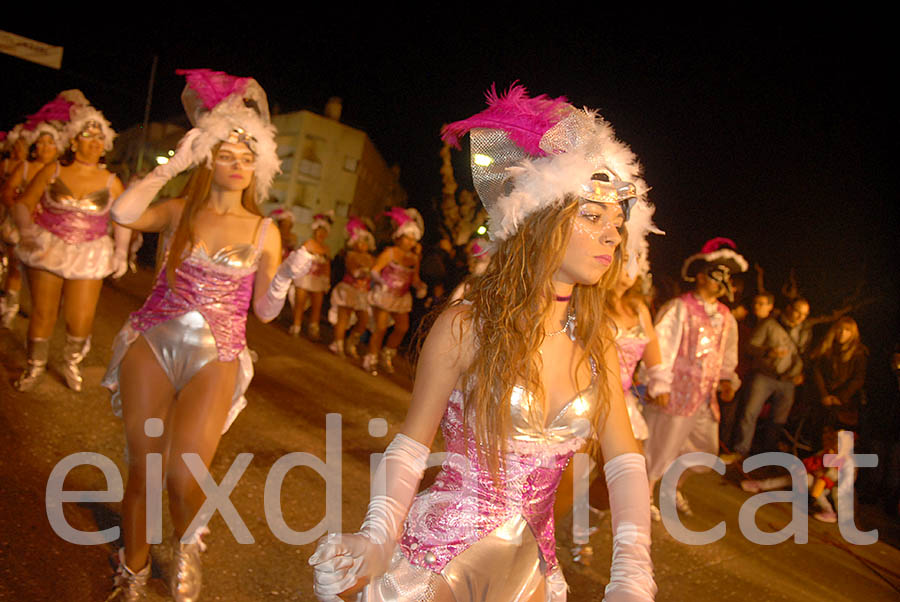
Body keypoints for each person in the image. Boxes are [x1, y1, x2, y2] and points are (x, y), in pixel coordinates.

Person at [309, 84, 656, 602]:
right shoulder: (466, 327)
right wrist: (379, 538)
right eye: (591, 215)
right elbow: (411, 444)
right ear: (540, 218)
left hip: (531, 576)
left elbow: (626, 462)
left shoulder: (596, 343)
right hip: (436, 563)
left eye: (617, 221)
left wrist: (632, 574)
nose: (612, 234)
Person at [100, 69, 313, 601]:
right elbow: (122, 211)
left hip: (217, 353)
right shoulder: (179, 210)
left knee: (183, 469)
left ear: (258, 167)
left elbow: (263, 312)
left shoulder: (266, 230)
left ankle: (189, 543)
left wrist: (284, 276)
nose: (238, 165)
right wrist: (173, 165)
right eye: (226, 154)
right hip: (152, 341)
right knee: (143, 466)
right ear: (208, 158)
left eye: (248, 158)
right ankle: (134, 566)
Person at [11, 91, 130, 392]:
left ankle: (71, 361)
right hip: (49, 247)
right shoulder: (53, 170)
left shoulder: (110, 180)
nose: (95, 142)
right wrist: (26, 233)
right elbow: (23, 203)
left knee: (80, 319)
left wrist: (122, 252)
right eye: (88, 136)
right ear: (74, 141)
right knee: (43, 313)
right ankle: (34, 367)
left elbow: (123, 218)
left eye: (100, 137)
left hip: (90, 253)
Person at [644, 238, 745, 517]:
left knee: (700, 450)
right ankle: (644, 496)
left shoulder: (726, 317)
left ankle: (672, 487)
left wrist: (726, 380)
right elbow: (660, 346)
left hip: (705, 397)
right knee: (661, 446)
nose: (722, 282)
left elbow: (727, 354)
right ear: (701, 276)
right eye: (716, 275)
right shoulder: (680, 308)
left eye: (726, 277)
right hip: (676, 393)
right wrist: (659, 381)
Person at [0, 101, 67, 328]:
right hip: (21, 226)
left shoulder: (61, 172)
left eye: (51, 144)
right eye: (42, 143)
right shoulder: (25, 168)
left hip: (50, 231)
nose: (46, 148)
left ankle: (42, 315)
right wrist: (19, 212)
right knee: (16, 268)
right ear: (35, 146)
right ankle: (10, 308)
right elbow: (8, 191)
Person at [728, 296, 811, 461]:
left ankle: (768, 456)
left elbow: (804, 354)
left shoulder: (805, 331)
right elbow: (750, 347)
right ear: (789, 309)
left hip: (788, 380)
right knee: (750, 413)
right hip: (764, 375)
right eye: (798, 312)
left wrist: (802, 373)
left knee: (778, 420)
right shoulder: (769, 324)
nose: (800, 317)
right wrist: (768, 351)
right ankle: (741, 450)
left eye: (804, 314)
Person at [362, 206, 426, 375]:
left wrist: (420, 286)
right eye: (407, 238)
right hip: (384, 295)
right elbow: (375, 270)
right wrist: (380, 281)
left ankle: (387, 354)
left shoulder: (414, 258)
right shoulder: (389, 252)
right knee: (381, 328)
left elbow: (414, 278)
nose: (411, 243)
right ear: (399, 237)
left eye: (413, 240)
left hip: (401, 298)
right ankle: (371, 358)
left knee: (402, 328)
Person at [807, 317, 867, 448]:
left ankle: (840, 466)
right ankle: (816, 463)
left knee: (842, 438)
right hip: (823, 399)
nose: (842, 333)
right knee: (819, 434)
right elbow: (817, 372)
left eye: (847, 330)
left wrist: (841, 397)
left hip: (845, 402)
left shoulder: (858, 353)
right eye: (840, 329)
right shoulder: (826, 348)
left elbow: (858, 378)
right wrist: (823, 395)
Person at [328, 216, 375, 358]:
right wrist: (363, 272)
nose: (363, 245)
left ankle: (351, 343)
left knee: (364, 320)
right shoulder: (351, 255)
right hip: (348, 290)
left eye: (365, 241)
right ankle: (338, 344)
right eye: (359, 242)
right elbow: (354, 271)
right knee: (344, 317)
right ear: (353, 243)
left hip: (362, 293)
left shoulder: (371, 258)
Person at [290, 212, 332, 339]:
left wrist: (327, 280)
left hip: (317, 280)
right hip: (304, 277)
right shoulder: (308, 243)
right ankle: (296, 325)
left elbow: (326, 265)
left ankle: (313, 328)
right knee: (300, 302)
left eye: (324, 232)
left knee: (317, 305)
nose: (321, 234)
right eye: (319, 231)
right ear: (314, 231)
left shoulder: (326, 248)